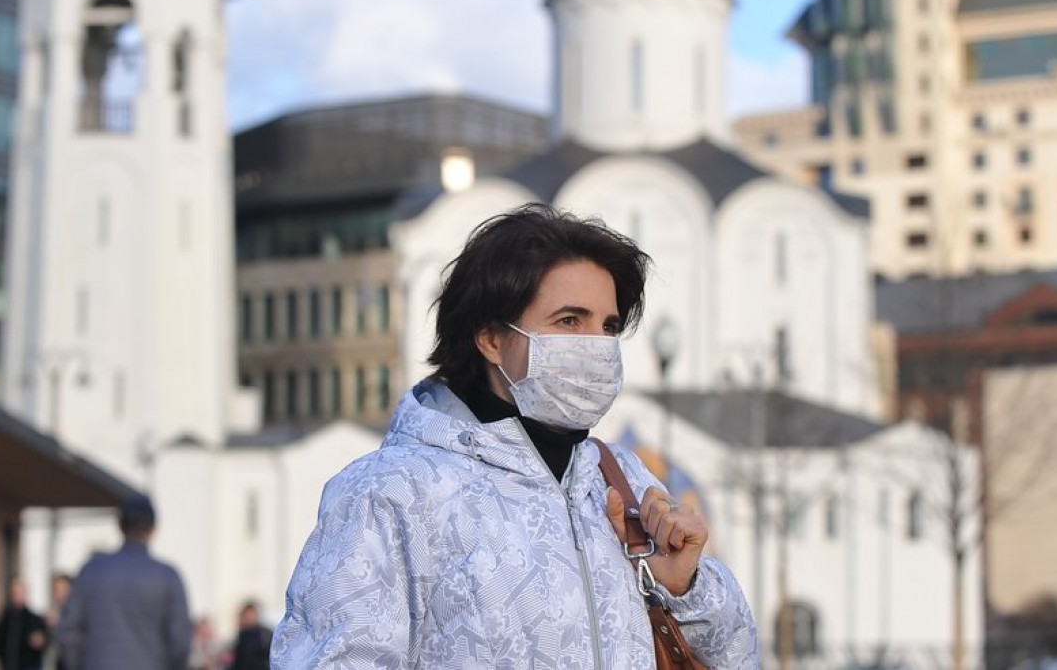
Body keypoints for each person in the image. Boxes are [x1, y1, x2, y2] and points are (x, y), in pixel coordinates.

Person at [273, 204, 759, 668]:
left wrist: (684, 587)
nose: (596, 345)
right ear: (490, 338)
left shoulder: (620, 479)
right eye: (569, 321)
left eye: (608, 326)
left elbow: (737, 658)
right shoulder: (392, 493)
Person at [57, 495, 191, 670]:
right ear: (154, 529)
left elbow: (68, 632)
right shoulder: (167, 577)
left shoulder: (91, 571)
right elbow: (180, 643)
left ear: (119, 525)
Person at [0, 576, 47, 670]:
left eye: (19, 592)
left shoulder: (34, 620)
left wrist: (41, 640)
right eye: (15, 593)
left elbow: (45, 640)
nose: (17, 596)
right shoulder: (4, 619)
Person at [224, 602, 271, 670]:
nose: (249, 618)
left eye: (251, 615)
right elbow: (238, 660)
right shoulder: (242, 635)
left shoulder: (265, 634)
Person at [43, 573, 72, 670]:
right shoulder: (52, 611)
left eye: (60, 589)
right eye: (55, 589)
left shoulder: (75, 612)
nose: (57, 593)